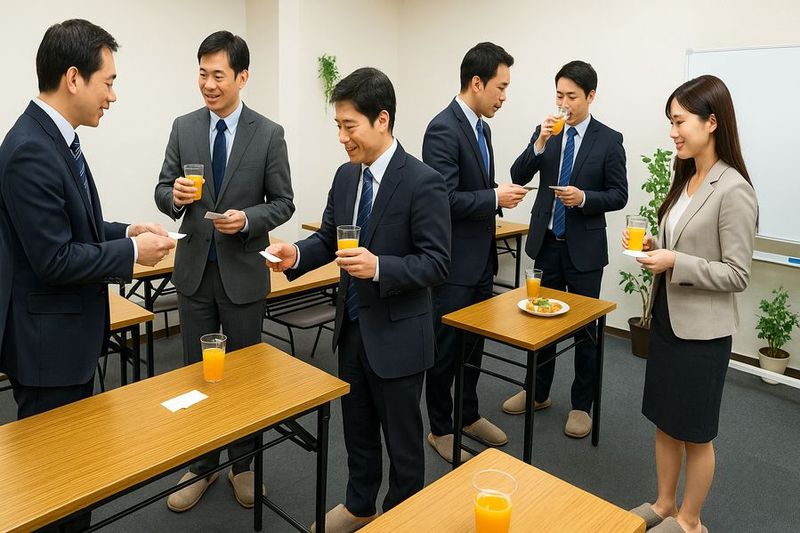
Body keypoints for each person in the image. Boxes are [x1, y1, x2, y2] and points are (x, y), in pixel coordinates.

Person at [0, 18, 174, 531]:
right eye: (109, 81)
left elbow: (74, 223)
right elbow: (54, 259)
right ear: (74, 79)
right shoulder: (30, 149)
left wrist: (126, 228)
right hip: (47, 349)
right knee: (53, 490)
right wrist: (130, 252)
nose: (113, 96)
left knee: (72, 480)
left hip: (62, 338)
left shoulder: (56, 139)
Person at [266, 67, 450, 533]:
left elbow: (436, 263)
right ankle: (359, 505)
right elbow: (329, 239)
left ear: (382, 120)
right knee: (359, 433)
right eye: (339, 127)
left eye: (350, 126)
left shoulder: (422, 181)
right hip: (352, 331)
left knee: (404, 445)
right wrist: (294, 256)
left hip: (400, 336)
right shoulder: (347, 177)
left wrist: (381, 267)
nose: (343, 138)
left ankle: (403, 519)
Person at [154, 31, 294, 512]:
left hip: (242, 273)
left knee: (245, 378)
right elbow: (161, 189)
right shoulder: (183, 126)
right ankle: (201, 465)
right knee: (197, 374)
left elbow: (284, 202)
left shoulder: (269, 133)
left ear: (242, 77)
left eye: (218, 75)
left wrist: (249, 220)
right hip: (193, 273)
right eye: (202, 73)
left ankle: (244, 464)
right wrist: (173, 196)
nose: (208, 84)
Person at [628, 75, 757, 533]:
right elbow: (680, 241)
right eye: (670, 121)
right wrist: (657, 247)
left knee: (696, 433)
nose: (673, 131)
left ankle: (690, 520)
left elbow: (737, 274)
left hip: (703, 333)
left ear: (712, 122)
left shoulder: (733, 188)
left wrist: (676, 260)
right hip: (667, 319)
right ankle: (664, 504)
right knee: (665, 419)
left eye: (679, 121)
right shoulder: (686, 178)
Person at [505, 60, 627, 438]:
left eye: (572, 96)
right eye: (559, 95)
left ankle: (580, 406)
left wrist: (584, 197)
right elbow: (518, 175)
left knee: (585, 330)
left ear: (590, 96)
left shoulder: (610, 140)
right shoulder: (548, 132)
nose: (564, 103)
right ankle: (538, 392)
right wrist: (539, 142)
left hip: (585, 249)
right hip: (547, 243)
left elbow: (619, 194)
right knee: (539, 322)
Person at [422, 42, 525, 463]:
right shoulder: (442, 128)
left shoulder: (483, 128)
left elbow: (475, 190)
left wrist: (497, 197)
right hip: (452, 264)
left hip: (481, 259)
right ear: (477, 82)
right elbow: (442, 199)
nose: (504, 96)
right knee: (446, 349)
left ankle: (468, 415)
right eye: (500, 87)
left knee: (474, 346)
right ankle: (440, 428)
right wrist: (493, 195)